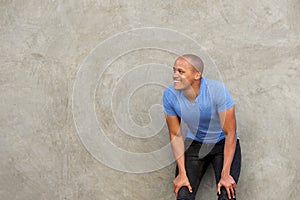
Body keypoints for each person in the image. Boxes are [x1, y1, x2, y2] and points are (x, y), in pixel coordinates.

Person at [163, 54, 241, 200]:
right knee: (183, 193)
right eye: (174, 70)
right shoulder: (169, 95)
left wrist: (225, 175)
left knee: (227, 193)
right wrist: (182, 174)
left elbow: (230, 133)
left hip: (223, 142)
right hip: (196, 142)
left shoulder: (217, 91)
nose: (175, 75)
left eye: (181, 71)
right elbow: (175, 134)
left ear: (197, 75)